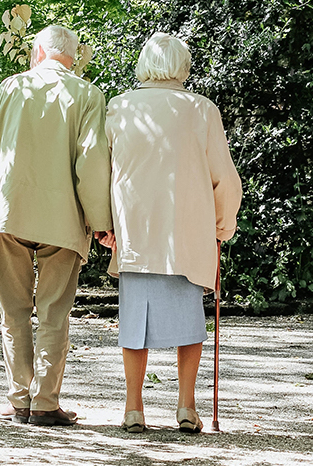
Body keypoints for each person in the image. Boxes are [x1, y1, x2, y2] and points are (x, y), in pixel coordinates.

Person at [0, 25, 114, 427]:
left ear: (38, 51)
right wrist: (101, 222)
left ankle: (19, 400)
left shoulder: (9, 88)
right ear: (73, 57)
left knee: (13, 311)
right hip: (63, 219)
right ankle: (45, 403)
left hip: (10, 212)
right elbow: (92, 162)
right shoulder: (88, 95)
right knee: (54, 312)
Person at [97, 32, 242, 433]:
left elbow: (101, 173)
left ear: (145, 64)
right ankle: (186, 406)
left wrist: (103, 224)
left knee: (133, 324)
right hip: (187, 233)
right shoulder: (201, 110)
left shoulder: (119, 107)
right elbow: (225, 178)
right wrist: (222, 226)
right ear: (183, 66)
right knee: (189, 323)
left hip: (136, 231)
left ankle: (133, 407)